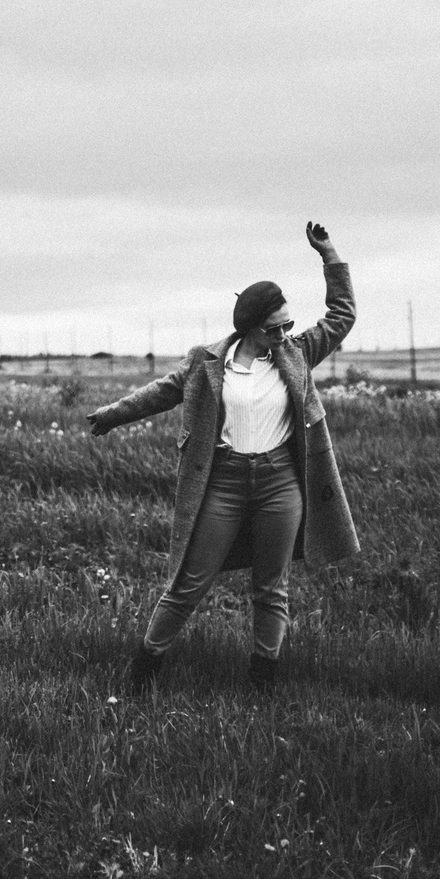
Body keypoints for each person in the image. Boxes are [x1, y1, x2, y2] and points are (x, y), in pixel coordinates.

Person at [88, 222, 360, 695]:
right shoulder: (206, 364)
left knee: (271, 586)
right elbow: (162, 392)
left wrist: (329, 255)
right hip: (224, 482)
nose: (287, 332)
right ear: (253, 328)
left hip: (280, 481)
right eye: (278, 327)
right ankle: (144, 671)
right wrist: (112, 415)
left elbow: (342, 314)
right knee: (188, 583)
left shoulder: (296, 354)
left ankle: (262, 681)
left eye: (290, 324)